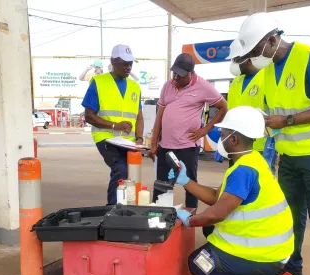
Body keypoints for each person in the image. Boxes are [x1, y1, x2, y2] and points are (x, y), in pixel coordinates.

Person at [235, 12, 310, 275]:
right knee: (291, 216)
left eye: (254, 51)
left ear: (272, 40)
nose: (252, 58)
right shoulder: (268, 69)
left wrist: (287, 121)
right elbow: (274, 112)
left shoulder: (309, 58)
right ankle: (292, 269)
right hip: (289, 156)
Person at [173, 106, 294, 275]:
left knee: (198, 263)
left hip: (266, 255)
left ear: (234, 139)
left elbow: (215, 213)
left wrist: (190, 219)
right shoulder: (252, 160)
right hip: (274, 250)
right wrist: (186, 181)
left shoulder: (243, 171)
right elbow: (216, 197)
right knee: (210, 230)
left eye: (223, 134)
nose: (220, 138)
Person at [151, 53, 228, 208]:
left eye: (180, 75)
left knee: (190, 184)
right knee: (161, 184)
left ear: (191, 74)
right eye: (174, 74)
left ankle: (190, 216)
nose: (175, 78)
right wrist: (154, 143)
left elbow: (223, 107)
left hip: (187, 147)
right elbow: (160, 116)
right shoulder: (168, 86)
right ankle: (159, 214)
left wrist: (206, 129)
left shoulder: (203, 86)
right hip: (165, 146)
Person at [82, 44, 144, 205]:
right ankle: (111, 209)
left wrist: (139, 138)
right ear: (113, 61)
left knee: (130, 174)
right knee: (120, 169)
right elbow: (89, 116)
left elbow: (139, 117)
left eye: (130, 63)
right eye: (124, 63)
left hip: (128, 142)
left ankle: (125, 208)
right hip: (105, 137)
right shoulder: (98, 82)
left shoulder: (135, 87)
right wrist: (115, 125)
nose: (128, 67)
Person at [214, 40, 277, 174]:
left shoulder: (266, 78)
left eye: (236, 60)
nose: (233, 64)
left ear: (249, 59)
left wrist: (270, 148)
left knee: (259, 189)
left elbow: (275, 114)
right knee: (236, 187)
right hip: (235, 147)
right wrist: (222, 141)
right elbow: (230, 117)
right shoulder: (235, 83)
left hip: (259, 148)